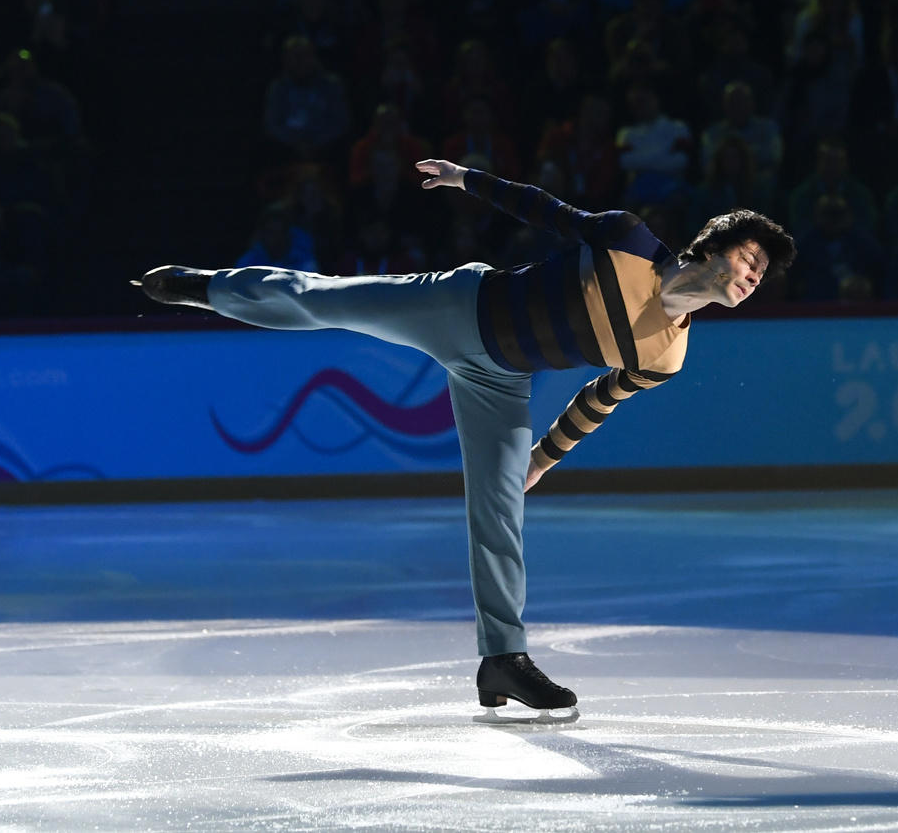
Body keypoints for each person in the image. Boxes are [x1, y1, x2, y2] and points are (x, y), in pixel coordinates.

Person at [137, 158, 796, 721]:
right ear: (710, 247)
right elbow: (545, 209)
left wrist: (541, 458)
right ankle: (207, 287)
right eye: (750, 258)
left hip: (501, 378)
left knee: (499, 513)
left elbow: (598, 399)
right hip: (460, 306)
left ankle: (502, 659)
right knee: (328, 300)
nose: (754, 274)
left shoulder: (669, 355)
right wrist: (465, 179)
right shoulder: (629, 241)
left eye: (763, 274)